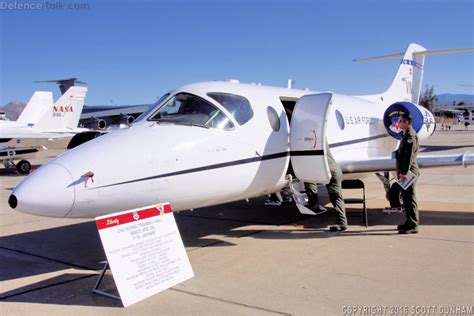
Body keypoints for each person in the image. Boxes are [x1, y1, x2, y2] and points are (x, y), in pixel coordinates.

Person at [396, 112, 420, 234]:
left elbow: (409, 156)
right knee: (406, 198)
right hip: (406, 172)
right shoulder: (405, 135)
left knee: (410, 198)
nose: (398, 123)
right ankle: (409, 222)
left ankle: (413, 224)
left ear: (407, 122)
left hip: (409, 172)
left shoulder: (410, 136)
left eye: (400, 121)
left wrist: (404, 172)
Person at [325, 148, 348, 232]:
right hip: (335, 170)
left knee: (336, 199)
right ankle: (342, 223)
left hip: (332, 173)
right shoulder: (323, 148)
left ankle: (342, 223)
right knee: (337, 198)